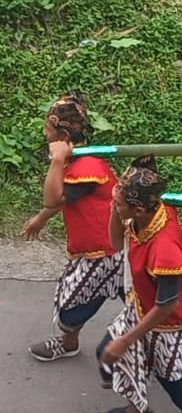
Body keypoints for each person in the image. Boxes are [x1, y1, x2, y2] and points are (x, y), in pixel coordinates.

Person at [98, 155, 182, 413]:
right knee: (109, 352)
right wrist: (115, 211)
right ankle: (137, 409)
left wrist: (128, 338)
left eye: (118, 203)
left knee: (173, 377)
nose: (114, 205)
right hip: (142, 305)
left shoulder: (164, 246)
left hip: (170, 322)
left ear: (138, 208)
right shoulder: (143, 213)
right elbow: (114, 243)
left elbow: (168, 304)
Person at [23, 91, 124, 362]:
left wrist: (56, 161)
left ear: (63, 136)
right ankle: (72, 343)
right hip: (92, 249)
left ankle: (150, 351)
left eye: (48, 129)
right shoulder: (77, 161)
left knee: (71, 304)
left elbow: (53, 197)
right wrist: (42, 218)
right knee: (78, 296)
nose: (45, 134)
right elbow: (62, 199)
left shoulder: (87, 166)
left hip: (106, 252)